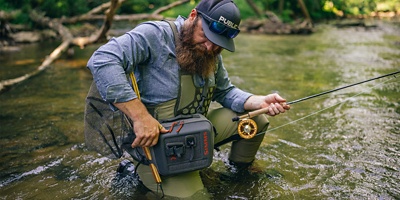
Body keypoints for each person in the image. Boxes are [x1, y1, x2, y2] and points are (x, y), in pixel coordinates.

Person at [85, 0, 290, 198]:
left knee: (256, 120)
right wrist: (140, 117)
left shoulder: (211, 50)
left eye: (219, 43)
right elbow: (102, 59)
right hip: (157, 144)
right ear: (193, 16)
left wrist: (259, 101)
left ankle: (240, 174)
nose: (211, 48)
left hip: (195, 132)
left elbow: (225, 91)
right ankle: (140, 172)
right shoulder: (155, 34)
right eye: (207, 36)